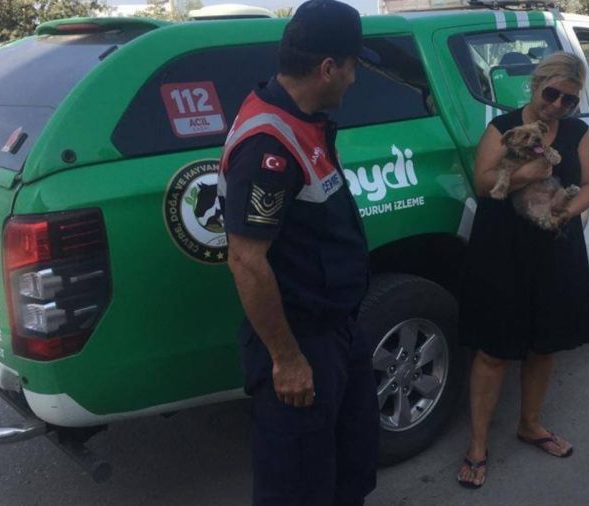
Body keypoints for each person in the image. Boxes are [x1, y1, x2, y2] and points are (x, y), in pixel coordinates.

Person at [217, 1, 379, 504]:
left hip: (337, 328)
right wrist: (287, 360)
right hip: (300, 340)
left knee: (351, 464)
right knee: (298, 486)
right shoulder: (268, 144)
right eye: (352, 66)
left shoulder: (300, 117)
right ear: (328, 68)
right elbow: (246, 260)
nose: (354, 79)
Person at [456, 52, 589, 489]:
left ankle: (530, 424)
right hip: (503, 248)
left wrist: (565, 212)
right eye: (551, 94)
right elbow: (484, 183)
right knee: (493, 350)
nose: (557, 106)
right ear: (536, 85)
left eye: (569, 100)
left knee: (544, 344)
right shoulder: (503, 128)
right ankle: (477, 447)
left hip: (554, 244)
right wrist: (528, 173)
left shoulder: (576, 132)